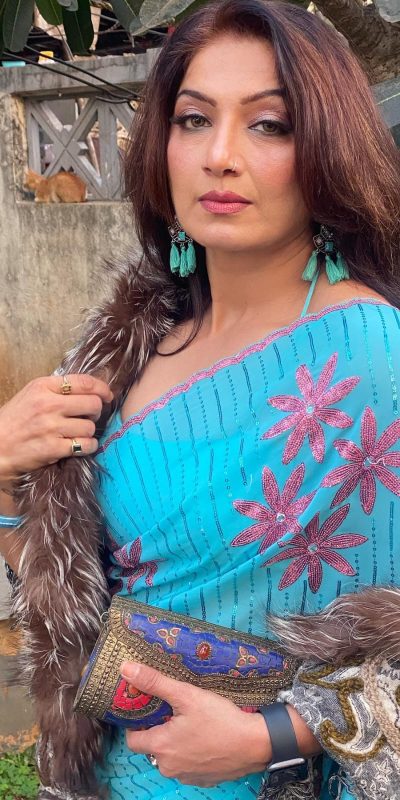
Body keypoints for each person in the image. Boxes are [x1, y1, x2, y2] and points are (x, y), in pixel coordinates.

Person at [1, 1, 400, 798]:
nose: (220, 156)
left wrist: (272, 736)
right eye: (194, 119)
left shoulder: (369, 355)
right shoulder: (129, 346)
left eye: (270, 125)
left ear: (328, 147)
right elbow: (83, 596)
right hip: (107, 773)